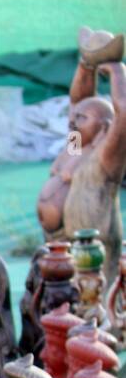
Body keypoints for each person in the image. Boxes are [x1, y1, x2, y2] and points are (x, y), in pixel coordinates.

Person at [37, 28, 126, 285]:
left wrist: (116, 70)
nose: (74, 121)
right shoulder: (76, 145)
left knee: (89, 305)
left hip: (91, 253)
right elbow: (78, 99)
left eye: (82, 118)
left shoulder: (106, 156)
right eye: (74, 117)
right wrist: (87, 64)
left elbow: (124, 112)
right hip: (57, 244)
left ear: (105, 126)